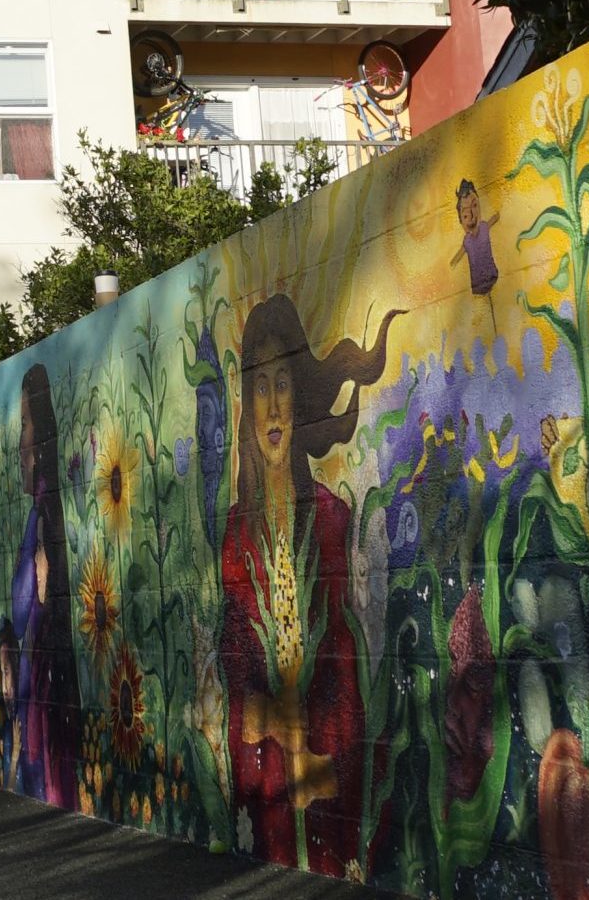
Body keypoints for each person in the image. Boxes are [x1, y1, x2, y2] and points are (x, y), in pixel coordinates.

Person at [219, 294, 400, 875]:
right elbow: (233, 657)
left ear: (299, 393)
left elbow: (343, 657)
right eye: (259, 387)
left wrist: (321, 746)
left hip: (320, 770)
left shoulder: (328, 518)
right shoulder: (237, 537)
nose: (273, 406)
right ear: (246, 404)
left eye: (283, 384)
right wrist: (266, 716)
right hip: (268, 772)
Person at [6, 365, 83, 810]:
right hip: (48, 688)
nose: (19, 443)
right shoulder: (48, 509)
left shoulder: (41, 516)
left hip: (39, 693)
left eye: (23, 426)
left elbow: (20, 614)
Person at [449, 180, 502, 334]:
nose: (471, 215)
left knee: (494, 318)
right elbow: (456, 258)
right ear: (461, 220)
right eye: (465, 213)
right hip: (478, 286)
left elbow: (495, 218)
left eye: (475, 206)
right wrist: (451, 264)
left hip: (492, 277)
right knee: (486, 326)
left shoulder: (484, 227)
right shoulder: (467, 241)